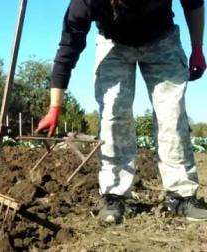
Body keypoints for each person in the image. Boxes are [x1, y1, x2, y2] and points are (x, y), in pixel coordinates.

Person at [36, 0, 207, 224]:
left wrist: (197, 47)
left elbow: (193, 3)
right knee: (112, 114)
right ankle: (113, 195)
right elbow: (68, 46)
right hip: (113, 43)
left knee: (172, 114)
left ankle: (181, 196)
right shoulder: (85, 2)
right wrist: (54, 107)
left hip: (162, 38)